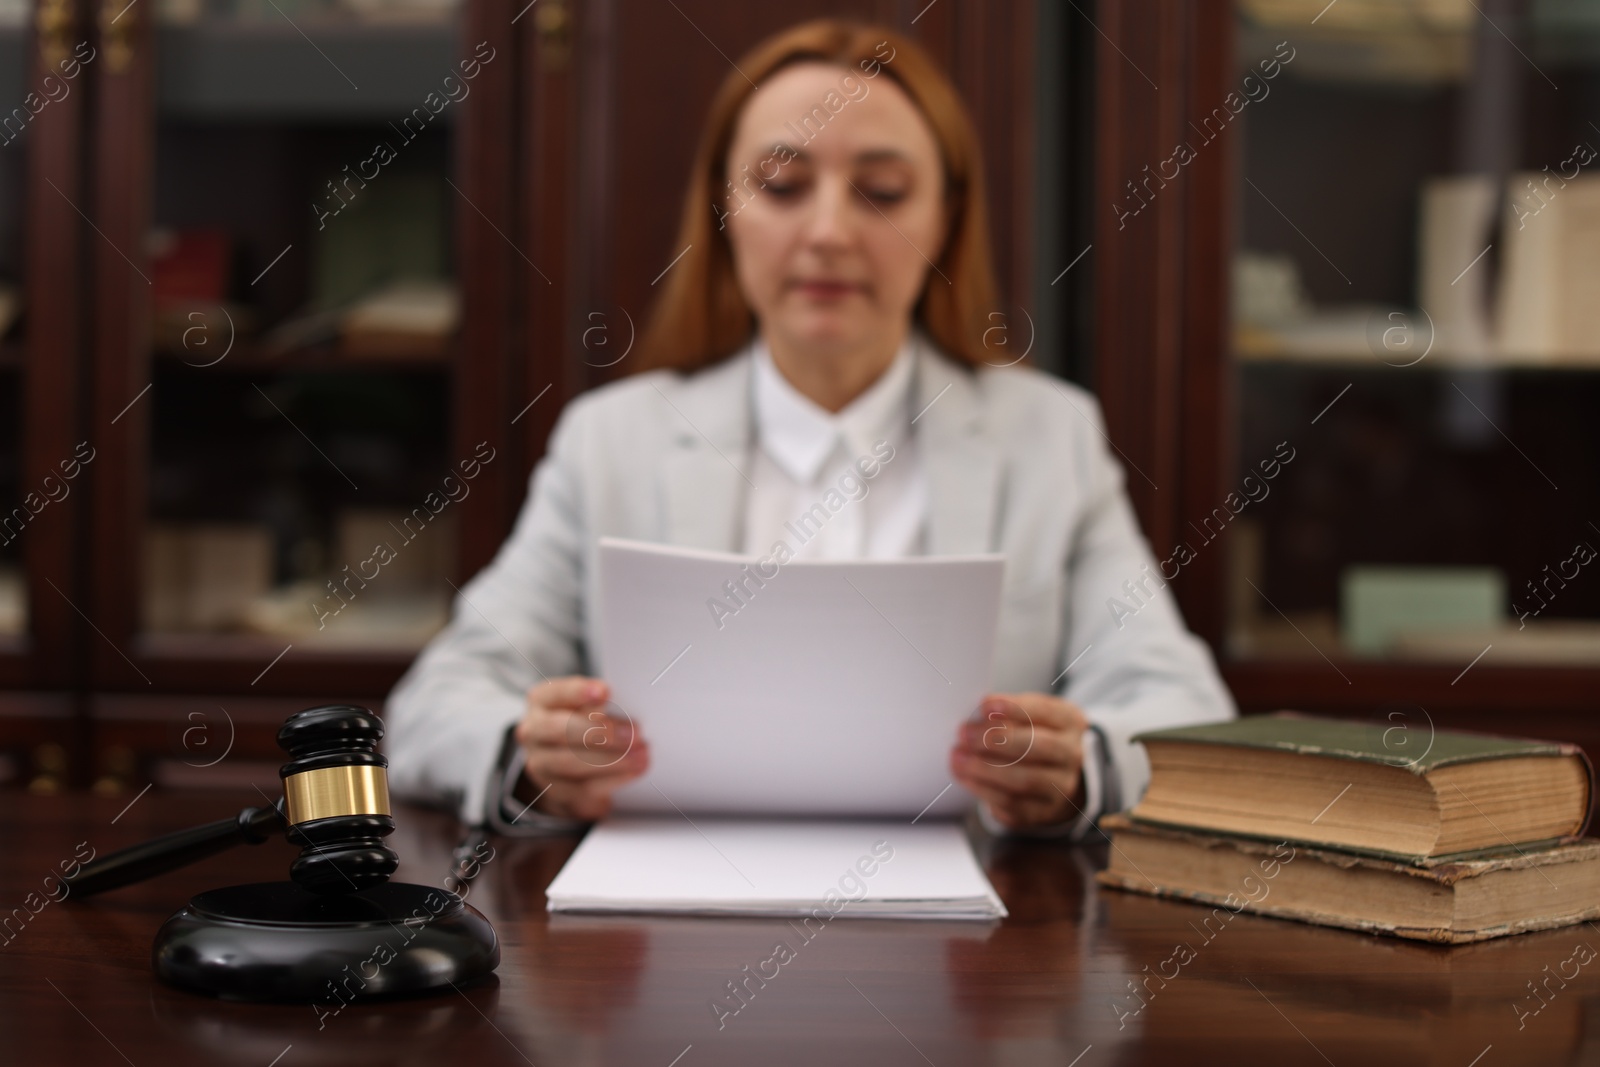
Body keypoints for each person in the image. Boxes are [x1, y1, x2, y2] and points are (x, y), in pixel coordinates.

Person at [385, 19, 1234, 839]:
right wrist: (533, 757)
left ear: (945, 214)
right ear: (724, 209)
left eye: (883, 191)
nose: (829, 233)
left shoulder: (1051, 438)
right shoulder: (612, 441)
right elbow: (435, 704)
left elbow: (1185, 714)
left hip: (980, 940)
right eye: (783, 186)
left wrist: (1077, 768)